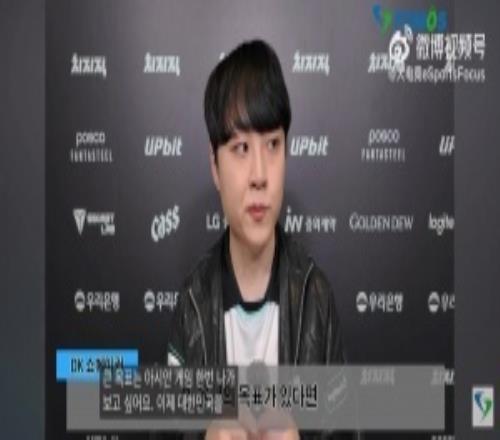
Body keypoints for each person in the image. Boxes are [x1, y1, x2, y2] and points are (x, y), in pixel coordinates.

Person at [165, 39, 360, 440]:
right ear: (215, 166)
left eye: (272, 144)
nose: (259, 174)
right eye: (240, 148)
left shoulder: (315, 297)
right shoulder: (193, 303)